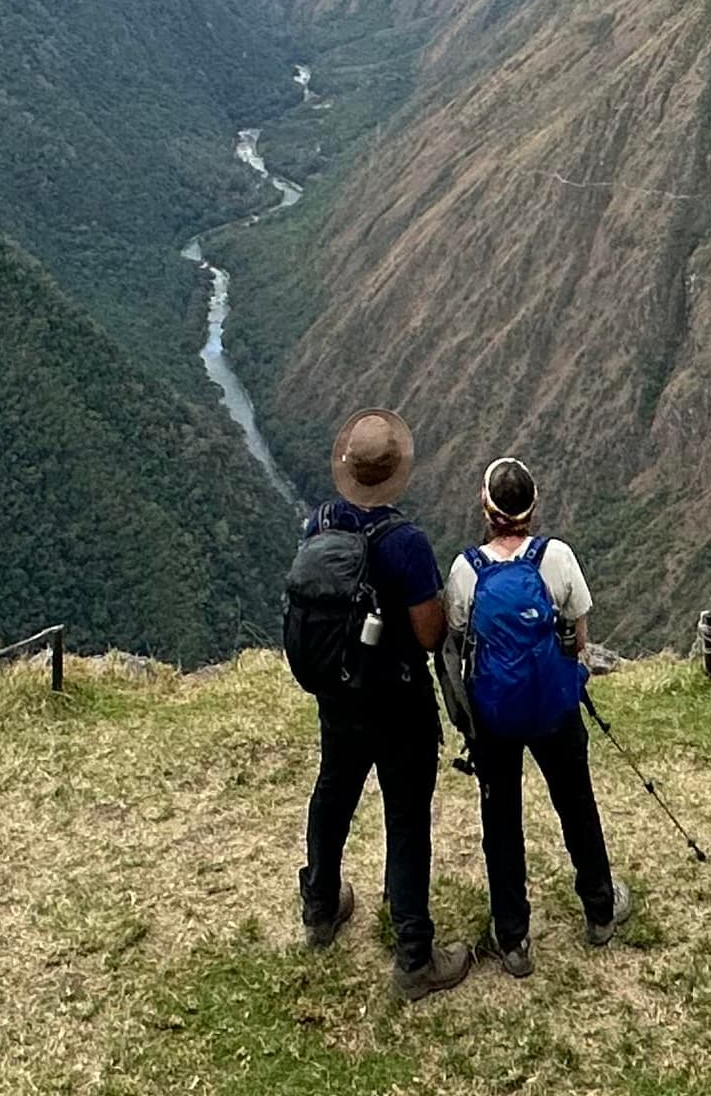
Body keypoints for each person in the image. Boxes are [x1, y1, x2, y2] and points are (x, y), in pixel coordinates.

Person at [283, 409, 471, 1000]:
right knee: (408, 818)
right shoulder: (406, 544)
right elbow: (427, 634)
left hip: (338, 693)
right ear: (396, 475)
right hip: (396, 699)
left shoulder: (321, 522)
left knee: (333, 790)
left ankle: (320, 906)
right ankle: (414, 957)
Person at [443, 457, 625, 977]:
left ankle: (514, 940)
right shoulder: (557, 558)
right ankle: (599, 910)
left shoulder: (465, 571)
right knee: (576, 805)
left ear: (487, 506)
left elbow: (458, 639)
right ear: (532, 508)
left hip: (495, 719)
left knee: (501, 823)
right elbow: (579, 638)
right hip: (554, 709)